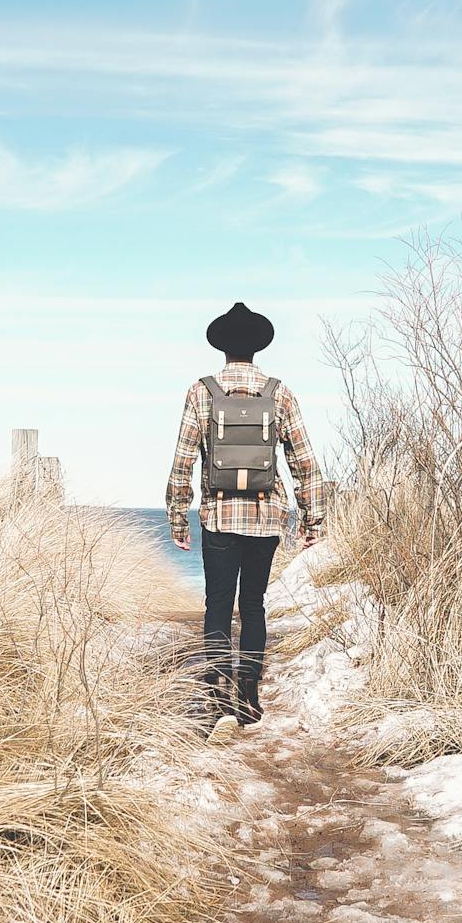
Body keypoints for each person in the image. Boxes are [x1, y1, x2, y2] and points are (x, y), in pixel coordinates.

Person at [165, 300, 323, 734]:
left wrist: (179, 518)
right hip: (267, 517)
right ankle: (249, 694)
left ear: (223, 349)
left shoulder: (202, 392)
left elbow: (183, 461)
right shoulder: (279, 393)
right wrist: (313, 522)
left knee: (217, 605)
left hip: (217, 515)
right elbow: (305, 463)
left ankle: (217, 693)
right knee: (253, 605)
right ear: (256, 348)